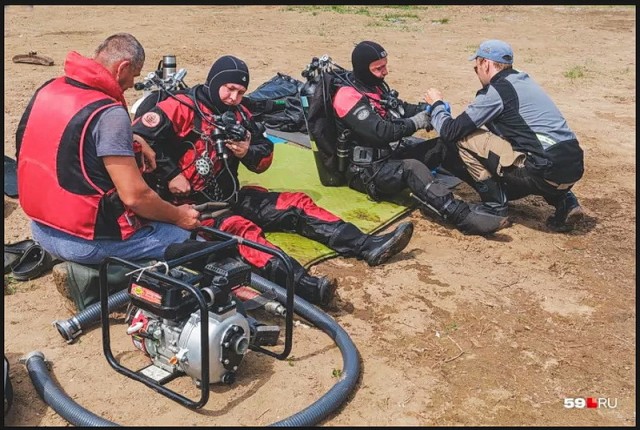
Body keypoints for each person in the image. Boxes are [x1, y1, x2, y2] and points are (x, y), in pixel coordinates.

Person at [130, 54, 414, 307]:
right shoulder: (180, 107)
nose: (234, 97)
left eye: (241, 91)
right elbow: (137, 140)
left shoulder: (239, 113)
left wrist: (247, 151)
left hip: (230, 196)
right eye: (229, 89)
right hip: (191, 209)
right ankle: (306, 288)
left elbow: (265, 155)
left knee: (297, 203)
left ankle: (367, 245)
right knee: (244, 233)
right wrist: (171, 174)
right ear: (215, 81)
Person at [16, 33, 202, 266]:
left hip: (40, 227)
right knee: (191, 240)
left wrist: (132, 136)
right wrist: (179, 216)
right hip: (84, 242)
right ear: (122, 68)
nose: (133, 84)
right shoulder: (110, 114)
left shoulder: (50, 89)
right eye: (133, 75)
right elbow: (136, 197)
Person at [324, 40, 509, 236]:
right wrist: (417, 122)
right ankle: (463, 218)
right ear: (363, 69)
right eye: (378, 68)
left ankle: (493, 201)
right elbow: (380, 132)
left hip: (388, 157)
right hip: (366, 171)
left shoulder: (375, 87)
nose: (385, 72)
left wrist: (429, 109)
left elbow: (399, 108)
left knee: (444, 145)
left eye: (385, 65)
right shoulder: (347, 96)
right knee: (412, 168)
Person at [424, 39, 585, 232]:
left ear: (485, 63)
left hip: (542, 172)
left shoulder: (497, 91)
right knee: (531, 147)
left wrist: (437, 106)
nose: (477, 73)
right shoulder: (524, 81)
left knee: (463, 138)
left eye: (476, 68)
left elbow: (451, 131)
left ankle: (494, 206)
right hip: (571, 167)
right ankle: (566, 201)